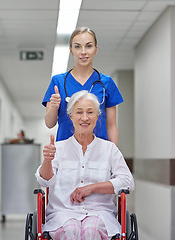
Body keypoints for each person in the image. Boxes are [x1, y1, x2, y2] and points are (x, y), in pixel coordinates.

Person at [35, 91, 134, 240]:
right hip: (63, 213)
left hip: (100, 214)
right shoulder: (58, 148)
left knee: (91, 231)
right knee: (71, 230)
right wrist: (47, 161)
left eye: (90, 112)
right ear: (71, 116)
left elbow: (127, 182)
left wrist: (91, 188)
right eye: (79, 112)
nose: (85, 118)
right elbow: (44, 181)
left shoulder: (110, 149)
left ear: (97, 116)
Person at [42, 26, 124, 146]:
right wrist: (54, 107)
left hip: (99, 151)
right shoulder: (58, 81)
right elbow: (49, 123)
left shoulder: (106, 82)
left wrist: (113, 155)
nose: (83, 52)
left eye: (89, 46)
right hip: (66, 152)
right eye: (77, 46)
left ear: (96, 49)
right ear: (71, 51)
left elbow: (111, 126)